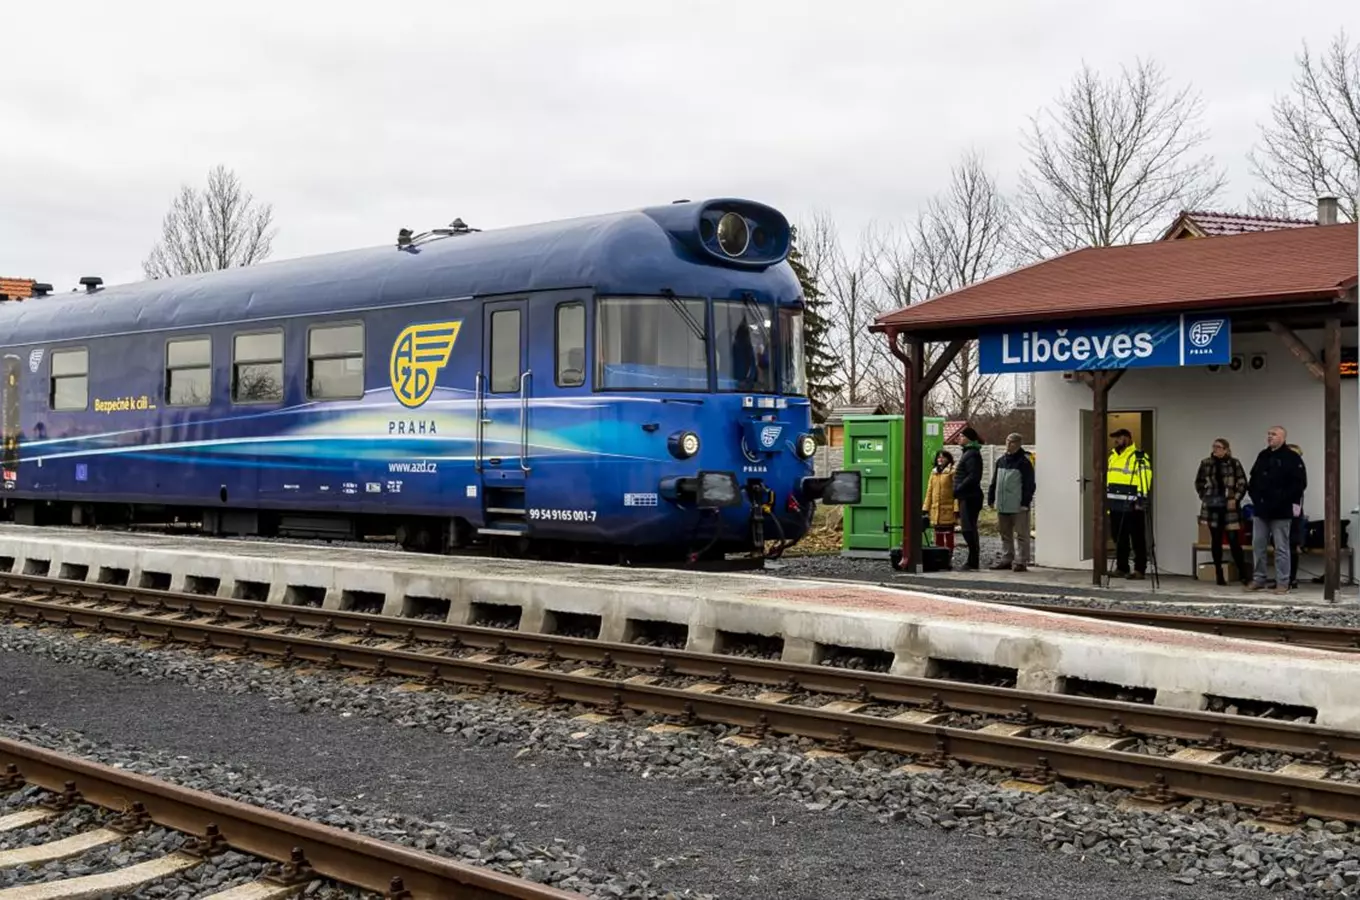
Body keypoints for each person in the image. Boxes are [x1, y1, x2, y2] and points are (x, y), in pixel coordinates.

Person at [1247, 426, 1307, 594]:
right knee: (1258, 545)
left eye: (1274, 434)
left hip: (1281, 511)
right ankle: (1259, 579)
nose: (1270, 437)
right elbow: (1253, 480)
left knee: (1281, 548)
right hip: (1261, 510)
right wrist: (1256, 498)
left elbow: (1299, 484)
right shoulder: (1263, 456)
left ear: (1283, 437)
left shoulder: (1292, 458)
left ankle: (1283, 582)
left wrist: (1283, 500)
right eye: (1268, 434)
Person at [1194, 437, 1249, 585]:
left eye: (1219, 447)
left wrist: (1235, 498)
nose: (1216, 449)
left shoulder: (1233, 463)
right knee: (1216, 539)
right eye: (1214, 447)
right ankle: (1219, 573)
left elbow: (1242, 482)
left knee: (1233, 539)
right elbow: (1199, 482)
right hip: (1212, 504)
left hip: (1229, 505)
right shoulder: (1206, 463)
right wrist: (1204, 496)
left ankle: (1243, 573)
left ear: (1226, 449)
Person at [1106, 428, 1152, 579]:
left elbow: (1145, 478)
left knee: (1137, 537)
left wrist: (1141, 500)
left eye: (1118, 438)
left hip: (1133, 505)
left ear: (1127, 438)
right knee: (1119, 537)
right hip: (1115, 505)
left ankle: (1140, 569)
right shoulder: (1112, 456)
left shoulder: (1139, 456)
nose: (1116, 441)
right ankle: (1122, 567)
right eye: (1115, 439)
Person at [987, 432, 1036, 572]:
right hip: (1003, 504)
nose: (1008, 444)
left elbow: (1029, 484)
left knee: (1022, 534)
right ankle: (1007, 558)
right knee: (1005, 534)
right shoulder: (1001, 460)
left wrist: (1025, 503)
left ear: (1019, 444)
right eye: (1007, 441)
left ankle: (1021, 561)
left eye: (1012, 442)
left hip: (1018, 505)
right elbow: (995, 481)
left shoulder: (1024, 462)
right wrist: (991, 498)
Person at [953, 427, 984, 571]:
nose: (959, 438)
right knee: (969, 528)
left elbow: (973, 476)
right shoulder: (969, 453)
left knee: (968, 529)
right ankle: (972, 560)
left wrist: (958, 489)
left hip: (970, 496)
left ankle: (973, 560)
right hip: (966, 496)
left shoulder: (972, 454)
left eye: (961, 436)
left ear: (968, 438)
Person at [923, 449, 957, 552]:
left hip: (948, 511)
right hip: (935, 511)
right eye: (939, 457)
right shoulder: (933, 473)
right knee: (938, 536)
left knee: (949, 536)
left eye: (943, 457)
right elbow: (929, 492)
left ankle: (949, 556)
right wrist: (925, 508)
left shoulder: (952, 472)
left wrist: (956, 509)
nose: (940, 459)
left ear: (948, 459)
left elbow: (956, 492)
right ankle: (939, 557)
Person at [1286, 443, 1308, 590]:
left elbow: (1301, 487)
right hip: (1280, 509)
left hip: (1293, 509)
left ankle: (1291, 578)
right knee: (1281, 545)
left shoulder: (1299, 470)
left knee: (1292, 544)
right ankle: (1284, 577)